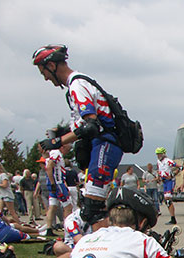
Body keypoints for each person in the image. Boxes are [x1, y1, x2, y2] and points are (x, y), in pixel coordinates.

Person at [32, 45, 123, 230]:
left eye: (44, 73)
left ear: (51, 65)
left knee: (94, 209)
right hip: (102, 144)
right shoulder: (78, 83)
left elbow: (91, 126)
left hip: (105, 143)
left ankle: (105, 252)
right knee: (95, 207)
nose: (46, 79)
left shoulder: (77, 85)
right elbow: (83, 124)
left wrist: (57, 142)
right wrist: (63, 131)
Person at [43, 144, 73, 236]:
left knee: (53, 207)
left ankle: (49, 228)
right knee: (68, 207)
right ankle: (68, 230)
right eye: (68, 149)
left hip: (57, 182)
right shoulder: (56, 153)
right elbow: (49, 167)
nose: (67, 152)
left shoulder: (53, 153)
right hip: (57, 183)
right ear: (63, 147)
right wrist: (53, 183)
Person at [155, 147, 178, 225]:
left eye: (160, 154)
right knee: (167, 200)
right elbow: (159, 170)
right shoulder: (158, 162)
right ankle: (172, 217)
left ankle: (173, 218)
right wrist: (158, 178)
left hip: (170, 181)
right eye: (157, 154)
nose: (158, 156)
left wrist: (172, 175)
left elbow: (179, 167)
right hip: (164, 181)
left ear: (163, 154)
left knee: (168, 199)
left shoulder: (168, 161)